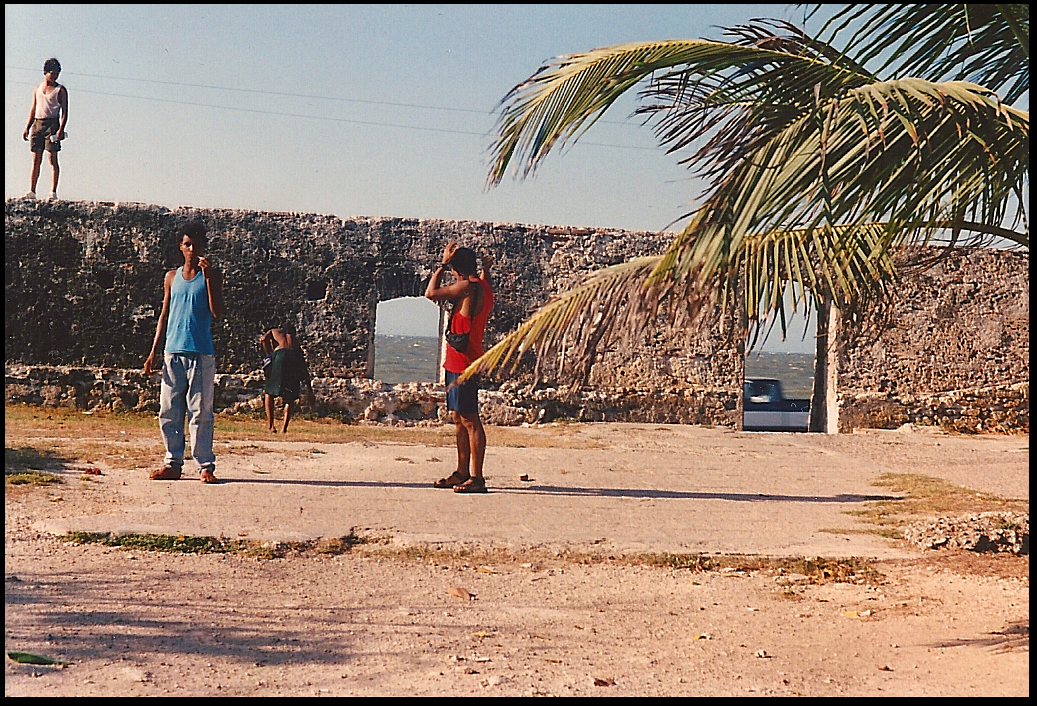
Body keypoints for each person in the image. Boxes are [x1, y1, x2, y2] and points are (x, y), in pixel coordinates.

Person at [144, 221, 225, 484]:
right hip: (173, 351)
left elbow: (217, 312)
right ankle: (172, 462)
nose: (192, 249)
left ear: (203, 247)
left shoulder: (211, 275)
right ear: (181, 247)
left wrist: (210, 278)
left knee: (200, 411)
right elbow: (164, 315)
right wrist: (153, 351)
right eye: (187, 244)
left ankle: (205, 465)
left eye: (196, 245)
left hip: (200, 352)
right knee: (169, 410)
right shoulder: (171, 277)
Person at [424, 241, 494, 493]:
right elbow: (483, 280)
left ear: (456, 270)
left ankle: (477, 477)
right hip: (462, 359)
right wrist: (486, 269)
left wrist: (441, 264)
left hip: (463, 363)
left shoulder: (466, 287)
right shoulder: (483, 286)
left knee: (470, 419)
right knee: (458, 418)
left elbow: (430, 294)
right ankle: (462, 471)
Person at [22, 57, 69, 201]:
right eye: (52, 73)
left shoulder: (60, 90)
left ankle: (53, 192)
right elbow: (34, 108)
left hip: (52, 124)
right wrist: (27, 127)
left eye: (57, 74)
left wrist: (61, 129)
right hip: (38, 123)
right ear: (45, 72)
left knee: (52, 158)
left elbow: (65, 111)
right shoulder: (37, 88)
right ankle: (32, 190)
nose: (54, 76)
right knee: (36, 159)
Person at [260, 327, 315, 434]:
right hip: (294, 356)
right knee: (290, 395)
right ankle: (284, 428)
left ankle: (271, 426)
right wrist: (310, 389)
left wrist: (268, 354)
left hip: (280, 356)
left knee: (269, 392)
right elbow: (303, 367)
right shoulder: (293, 339)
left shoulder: (273, 331)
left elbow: (263, 339)